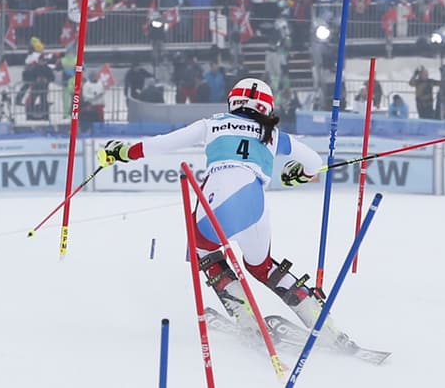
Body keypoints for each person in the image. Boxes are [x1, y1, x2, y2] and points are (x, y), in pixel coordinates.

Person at [96, 78, 355, 348]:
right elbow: (314, 162)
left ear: (233, 102)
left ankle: (247, 320)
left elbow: (162, 144)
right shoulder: (274, 134)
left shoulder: (212, 124)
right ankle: (323, 323)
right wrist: (299, 176)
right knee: (261, 266)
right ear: (266, 107)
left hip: (221, 199)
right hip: (256, 205)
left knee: (202, 250)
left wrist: (123, 152)